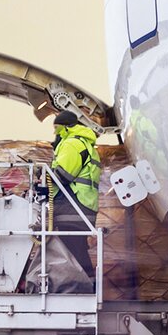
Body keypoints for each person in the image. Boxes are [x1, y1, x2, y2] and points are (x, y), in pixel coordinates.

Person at [50, 110, 102, 284]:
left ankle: (84, 286)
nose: (54, 133)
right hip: (83, 206)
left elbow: (63, 176)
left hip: (73, 205)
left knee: (71, 250)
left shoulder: (72, 144)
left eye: (56, 128)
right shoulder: (85, 143)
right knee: (76, 248)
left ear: (65, 127)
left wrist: (41, 176)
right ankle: (88, 283)